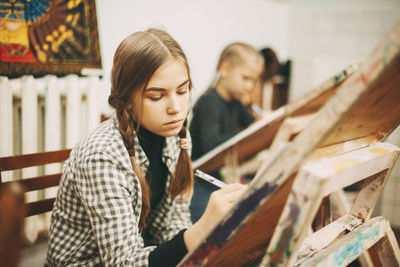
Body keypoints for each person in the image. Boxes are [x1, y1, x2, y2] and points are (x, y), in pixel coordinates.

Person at [46, 28, 247, 267]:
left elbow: (170, 227)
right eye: (156, 96)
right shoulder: (101, 155)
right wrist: (203, 229)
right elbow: (123, 262)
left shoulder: (177, 137)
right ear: (127, 99)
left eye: (182, 91)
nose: (176, 107)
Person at [189, 42, 264, 223]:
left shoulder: (235, 103)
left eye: (254, 80)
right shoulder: (209, 102)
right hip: (197, 184)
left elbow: (255, 128)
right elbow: (211, 146)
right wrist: (254, 128)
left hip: (216, 179)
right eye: (245, 78)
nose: (250, 86)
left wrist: (263, 123)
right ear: (225, 69)